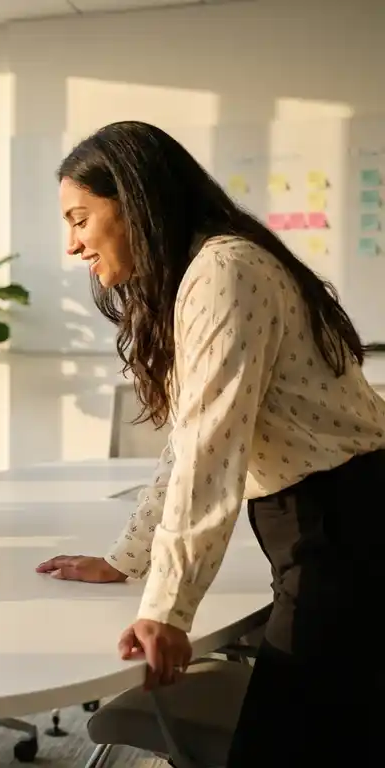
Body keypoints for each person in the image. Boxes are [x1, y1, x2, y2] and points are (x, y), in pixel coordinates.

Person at [36, 121, 385, 765]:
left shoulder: (225, 271)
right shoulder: (207, 269)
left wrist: (169, 610)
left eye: (81, 218)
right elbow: (190, 443)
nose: (72, 245)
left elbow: (208, 450)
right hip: (326, 518)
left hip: (348, 525)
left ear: (135, 202)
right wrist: (129, 559)